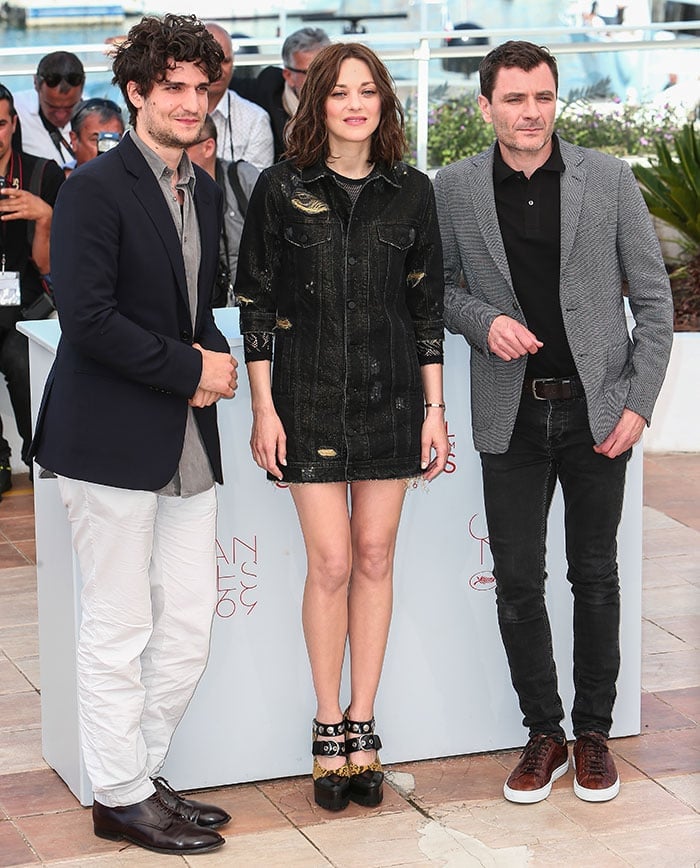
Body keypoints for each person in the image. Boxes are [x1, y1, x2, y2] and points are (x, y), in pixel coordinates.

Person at [434, 41, 673, 805]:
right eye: (513, 99)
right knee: (517, 582)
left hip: (597, 411)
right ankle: (544, 734)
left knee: (595, 577)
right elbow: (436, 289)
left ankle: (594, 734)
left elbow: (655, 304)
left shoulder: (608, 178)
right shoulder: (455, 189)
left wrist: (638, 402)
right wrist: (483, 320)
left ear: (555, 101)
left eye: (541, 97)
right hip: (510, 414)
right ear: (486, 106)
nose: (529, 112)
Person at [29, 14, 238, 855]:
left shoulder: (207, 188)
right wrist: (192, 370)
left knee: (187, 621)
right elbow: (85, 319)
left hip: (183, 441)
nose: (191, 102)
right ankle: (116, 794)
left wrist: (215, 359)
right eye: (174, 88)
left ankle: (138, 774)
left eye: (202, 87)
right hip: (108, 438)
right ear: (139, 93)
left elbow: (192, 314)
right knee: (119, 628)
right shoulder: (93, 187)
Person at [236, 42, 447, 812]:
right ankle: (326, 724)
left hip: (394, 400)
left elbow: (426, 310)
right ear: (316, 101)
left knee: (374, 553)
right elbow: (255, 302)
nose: (354, 104)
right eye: (340, 91)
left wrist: (435, 410)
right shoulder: (280, 188)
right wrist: (264, 407)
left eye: (368, 91)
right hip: (308, 398)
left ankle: (365, 722)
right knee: (329, 562)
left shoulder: (412, 192)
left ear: (384, 103)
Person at [0, 82, 64, 497]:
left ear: (13, 124)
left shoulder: (43, 173)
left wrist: (45, 217)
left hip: (26, 308)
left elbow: (51, 267)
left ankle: (38, 455)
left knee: (23, 363)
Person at [186, 113, 258, 306]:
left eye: (183, 146)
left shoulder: (243, 179)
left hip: (251, 306)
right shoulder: (170, 187)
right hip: (199, 308)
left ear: (208, 147)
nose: (174, 153)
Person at [230, 26, 330, 161]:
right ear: (288, 76)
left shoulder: (346, 99)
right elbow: (223, 83)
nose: (320, 78)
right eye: (310, 73)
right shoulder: (269, 90)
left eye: (325, 70)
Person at [204, 22, 274, 171]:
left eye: (225, 61)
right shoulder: (176, 111)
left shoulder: (255, 119)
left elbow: (255, 188)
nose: (218, 70)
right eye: (211, 61)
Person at [12, 51, 85, 172]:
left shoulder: (96, 115)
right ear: (36, 84)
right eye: (52, 107)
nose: (61, 116)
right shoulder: (15, 108)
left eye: (70, 107)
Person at [69, 97, 125, 169]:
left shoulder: (138, 178)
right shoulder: (58, 178)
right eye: (96, 139)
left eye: (114, 140)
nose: (106, 149)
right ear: (74, 140)